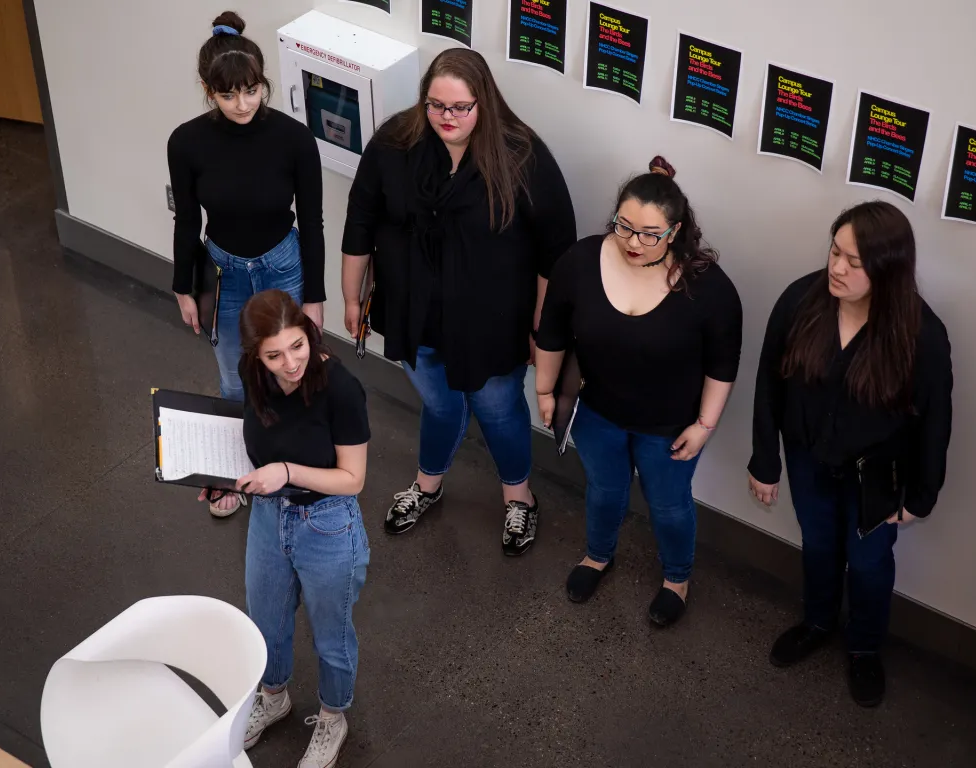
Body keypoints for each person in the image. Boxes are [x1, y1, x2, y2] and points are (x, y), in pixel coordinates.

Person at [340, 48, 576, 555]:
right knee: (440, 404)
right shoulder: (395, 141)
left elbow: (555, 252)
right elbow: (360, 218)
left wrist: (543, 326)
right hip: (414, 313)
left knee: (497, 408)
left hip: (491, 322)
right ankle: (428, 484)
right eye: (436, 105)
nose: (447, 118)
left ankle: (520, 499)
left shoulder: (523, 156)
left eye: (460, 107)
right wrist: (351, 296)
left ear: (484, 103)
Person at [748, 201, 953, 708]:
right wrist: (764, 460)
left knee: (867, 564)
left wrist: (922, 495)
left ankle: (863, 647)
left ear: (887, 269)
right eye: (835, 252)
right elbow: (768, 384)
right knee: (817, 547)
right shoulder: (800, 300)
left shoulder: (921, 335)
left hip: (876, 478)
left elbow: (935, 421)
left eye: (854, 262)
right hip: (808, 458)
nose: (837, 268)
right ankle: (817, 621)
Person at [535, 157, 742, 625]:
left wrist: (704, 426)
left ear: (676, 231)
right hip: (596, 413)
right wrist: (546, 393)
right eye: (624, 227)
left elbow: (722, 365)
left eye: (650, 234)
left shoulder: (708, 286)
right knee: (604, 491)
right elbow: (552, 332)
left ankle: (676, 579)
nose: (633, 242)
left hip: (669, 424)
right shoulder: (582, 260)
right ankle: (597, 556)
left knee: (668, 506)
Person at [198, 290, 370, 768]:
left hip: (328, 523)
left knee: (330, 635)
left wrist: (287, 472)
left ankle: (333, 717)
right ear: (256, 355)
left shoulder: (341, 387)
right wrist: (227, 485)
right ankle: (273, 696)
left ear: (309, 333)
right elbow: (252, 442)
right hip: (269, 514)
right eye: (274, 355)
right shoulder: (253, 375)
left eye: (298, 346)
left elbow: (353, 478)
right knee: (264, 619)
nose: (291, 362)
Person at [167, 11, 325, 414]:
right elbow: (187, 219)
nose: (243, 105)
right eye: (228, 95)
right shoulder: (186, 142)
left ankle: (294, 467)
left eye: (252, 91)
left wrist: (314, 298)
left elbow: (311, 221)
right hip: (224, 273)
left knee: (293, 377)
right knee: (236, 382)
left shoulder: (295, 139)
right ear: (208, 90)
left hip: (284, 266)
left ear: (263, 83)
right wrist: (182, 286)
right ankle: (245, 469)